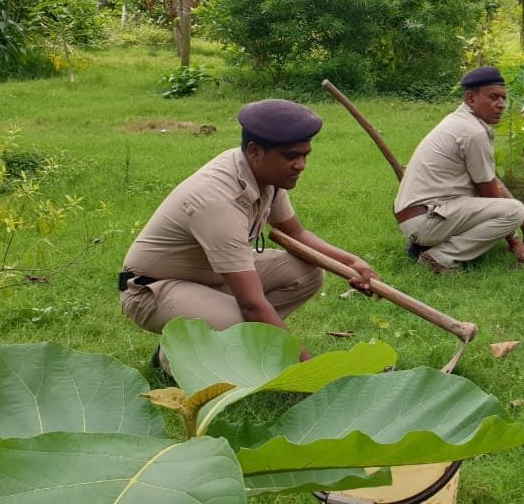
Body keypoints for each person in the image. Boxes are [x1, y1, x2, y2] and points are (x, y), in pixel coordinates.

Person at [119, 99, 376, 368]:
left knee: (307, 272)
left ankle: (219, 335)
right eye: (291, 156)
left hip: (211, 276)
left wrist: (351, 264)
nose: (301, 165)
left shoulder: (264, 175)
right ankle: (177, 356)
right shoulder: (216, 201)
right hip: (152, 289)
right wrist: (311, 370)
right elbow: (252, 305)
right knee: (244, 320)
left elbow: (296, 233)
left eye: (305, 155)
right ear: (254, 151)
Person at [393, 66, 524, 273]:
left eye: (504, 98)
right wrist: (515, 236)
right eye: (493, 97)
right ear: (470, 99)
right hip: (426, 219)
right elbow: (489, 194)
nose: (501, 105)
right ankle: (438, 258)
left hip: (420, 216)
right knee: (514, 211)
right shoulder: (472, 133)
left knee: (513, 209)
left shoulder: (460, 122)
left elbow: (490, 179)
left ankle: (427, 244)